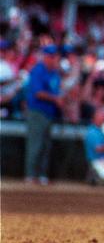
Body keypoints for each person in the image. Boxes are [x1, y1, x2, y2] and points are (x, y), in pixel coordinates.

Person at [23, 44, 62, 184]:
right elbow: (38, 93)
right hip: (37, 111)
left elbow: (57, 91)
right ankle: (31, 174)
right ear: (45, 57)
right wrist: (56, 99)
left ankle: (42, 175)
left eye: (55, 56)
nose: (53, 59)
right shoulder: (38, 71)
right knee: (36, 144)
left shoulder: (55, 73)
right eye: (51, 56)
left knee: (45, 145)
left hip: (49, 112)